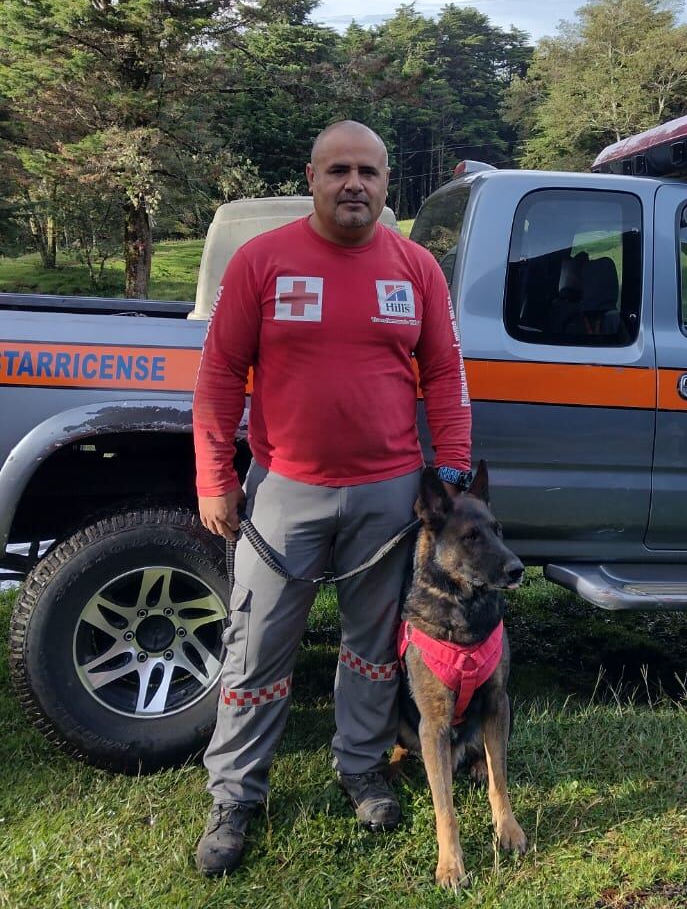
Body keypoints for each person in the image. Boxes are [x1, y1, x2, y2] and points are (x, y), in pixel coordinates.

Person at [191, 120, 473, 878]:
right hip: (284, 494)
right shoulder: (262, 261)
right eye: (339, 170)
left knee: (373, 650)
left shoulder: (416, 268)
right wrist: (213, 476)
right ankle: (236, 797)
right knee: (254, 651)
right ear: (312, 178)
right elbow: (219, 375)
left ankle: (362, 769)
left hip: (388, 499)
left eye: (370, 173)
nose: (355, 184)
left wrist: (450, 468)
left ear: (388, 186)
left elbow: (444, 375)